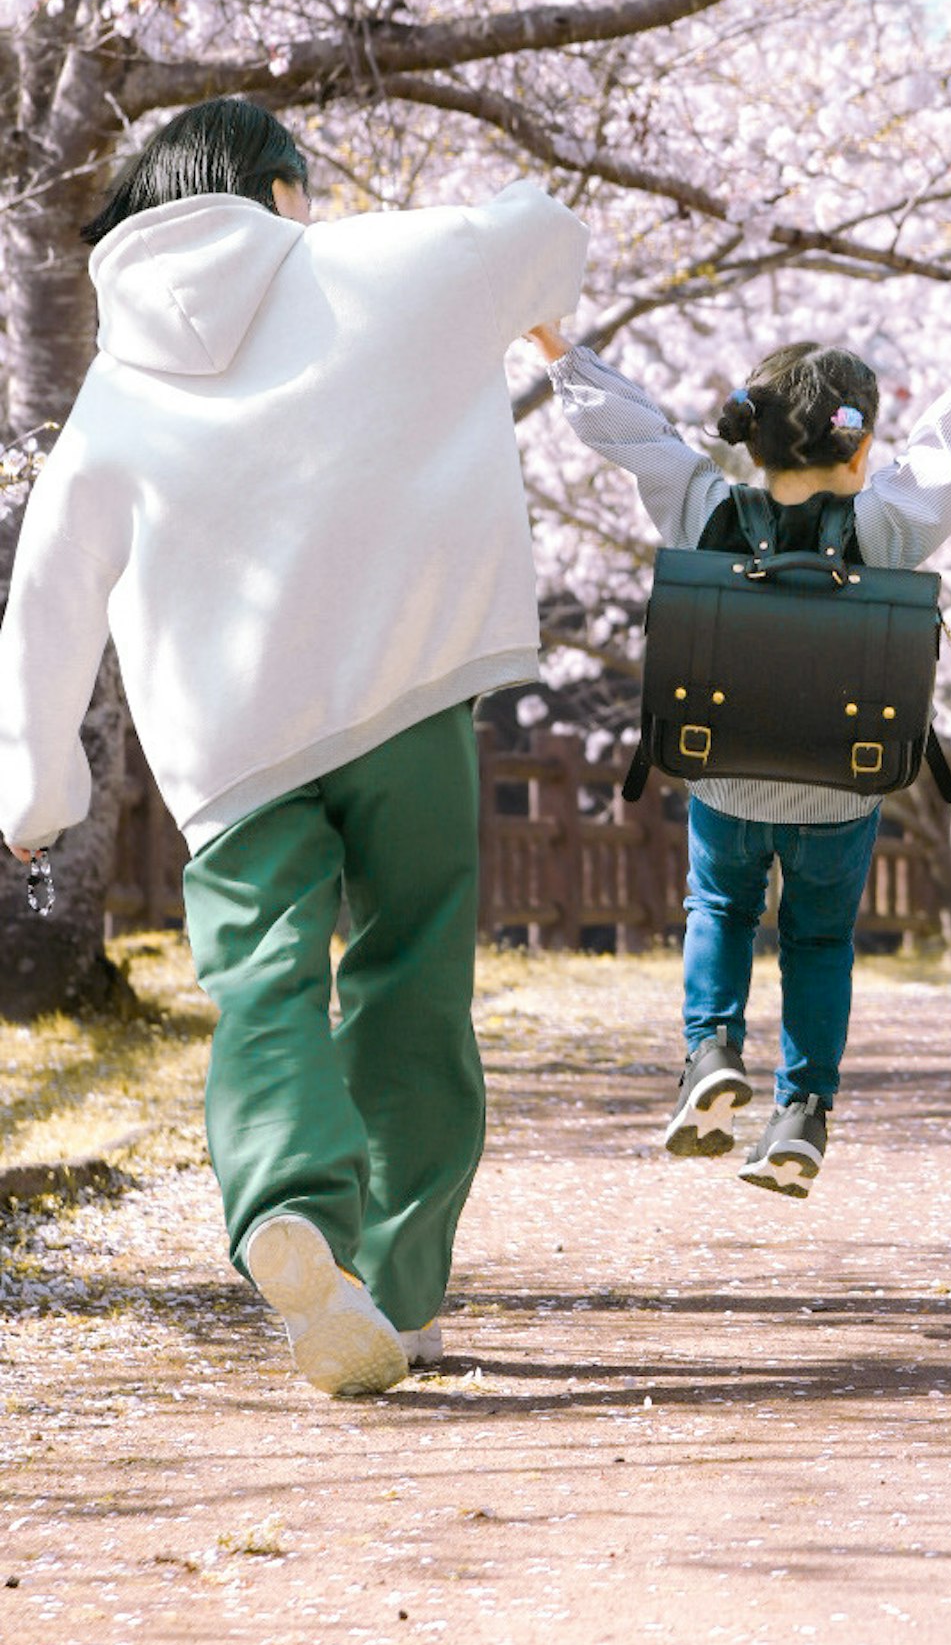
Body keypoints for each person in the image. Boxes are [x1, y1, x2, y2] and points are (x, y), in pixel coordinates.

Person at [0, 98, 587, 1396]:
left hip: (229, 748)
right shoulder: (386, 260)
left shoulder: (115, 381)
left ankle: (287, 1205)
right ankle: (402, 1289)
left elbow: (50, 585)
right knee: (412, 976)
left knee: (264, 985)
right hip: (406, 694)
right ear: (274, 187)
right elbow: (545, 232)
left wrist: (35, 785)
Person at [531, 324, 951, 1195]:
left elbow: (635, 432)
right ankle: (802, 1110)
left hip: (725, 771)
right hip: (842, 787)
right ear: (861, 445)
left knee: (721, 908)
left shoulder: (705, 505)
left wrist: (554, 346)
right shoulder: (884, 522)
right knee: (820, 940)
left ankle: (712, 1051)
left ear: (750, 437)